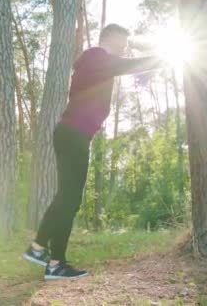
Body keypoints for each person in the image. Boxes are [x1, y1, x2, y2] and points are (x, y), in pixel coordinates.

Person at [23, 24, 163, 280]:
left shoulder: (96, 63)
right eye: (123, 41)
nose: (125, 46)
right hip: (73, 134)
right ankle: (54, 263)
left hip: (72, 134)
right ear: (110, 37)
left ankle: (39, 249)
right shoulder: (97, 58)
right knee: (70, 200)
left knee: (66, 197)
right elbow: (127, 66)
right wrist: (162, 58)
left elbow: (126, 70)